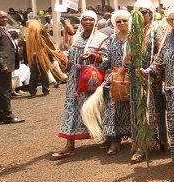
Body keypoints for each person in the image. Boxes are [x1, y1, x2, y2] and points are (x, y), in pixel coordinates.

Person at [141, 6, 174, 175]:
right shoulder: (167, 38)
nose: (173, 23)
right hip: (172, 90)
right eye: (170, 20)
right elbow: (160, 60)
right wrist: (149, 71)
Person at [52, 11, 109, 158]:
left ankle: (104, 137)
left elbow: (107, 57)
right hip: (74, 83)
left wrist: (94, 56)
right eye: (85, 19)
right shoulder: (76, 38)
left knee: (95, 109)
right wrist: (63, 58)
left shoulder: (101, 39)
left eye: (91, 20)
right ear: (82, 22)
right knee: (71, 110)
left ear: (95, 22)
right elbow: (71, 58)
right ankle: (69, 146)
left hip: (90, 82)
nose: (88, 22)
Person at [130, 0, 168, 163]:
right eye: (137, 12)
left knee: (154, 110)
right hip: (135, 78)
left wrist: (151, 70)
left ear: (151, 14)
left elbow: (161, 52)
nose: (140, 15)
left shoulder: (157, 30)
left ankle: (159, 140)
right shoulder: (133, 32)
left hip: (152, 77)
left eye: (144, 12)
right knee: (138, 110)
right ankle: (140, 145)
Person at [101, 10, 132, 155]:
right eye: (118, 21)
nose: (122, 23)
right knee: (112, 109)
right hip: (114, 78)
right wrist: (97, 57)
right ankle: (114, 141)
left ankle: (136, 141)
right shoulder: (111, 39)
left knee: (132, 109)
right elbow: (105, 58)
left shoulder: (135, 38)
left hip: (132, 78)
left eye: (125, 20)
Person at [0, 11, 24, 123]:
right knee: (5, 90)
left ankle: (0, 114)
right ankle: (8, 115)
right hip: (1, 66)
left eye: (6, 17)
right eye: (2, 17)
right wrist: (2, 64)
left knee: (1, 91)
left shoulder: (1, 28)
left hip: (5, 64)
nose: (5, 19)